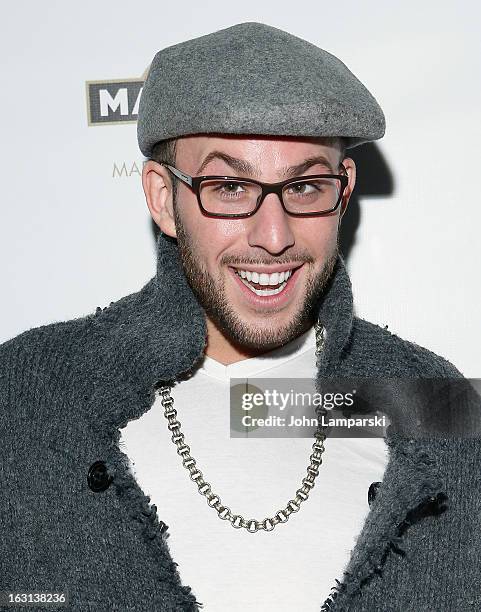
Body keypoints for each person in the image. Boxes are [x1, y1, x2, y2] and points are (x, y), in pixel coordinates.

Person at [0, 21, 479, 612]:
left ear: (344, 189)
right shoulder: (26, 393)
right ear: (161, 198)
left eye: (305, 186)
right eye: (229, 187)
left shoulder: (436, 400)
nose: (273, 236)